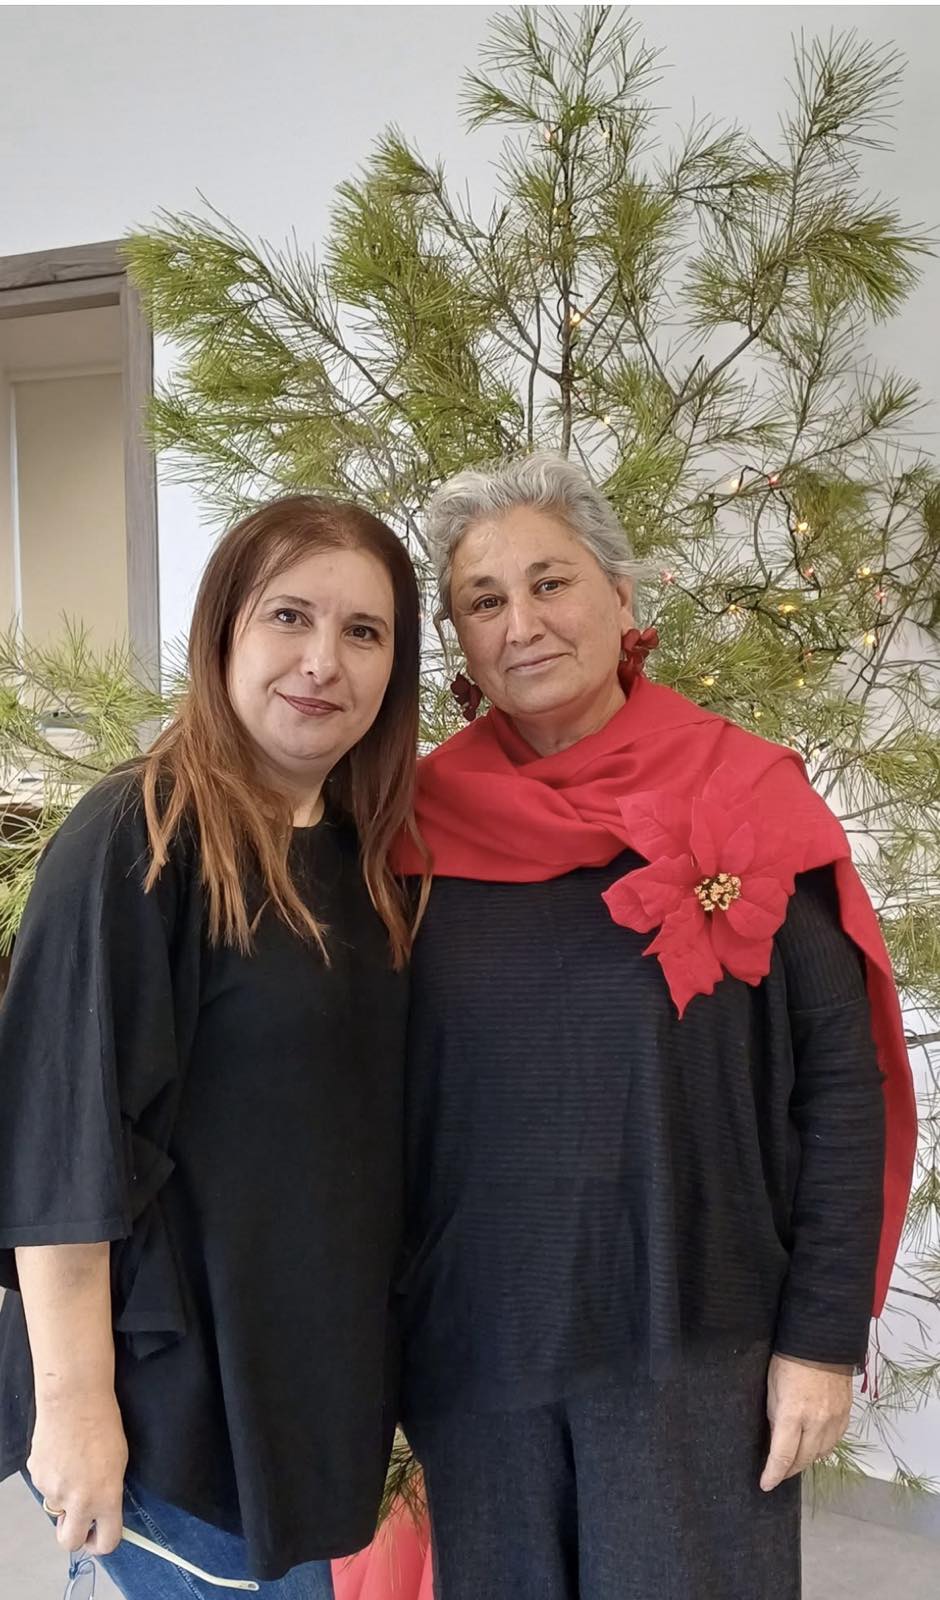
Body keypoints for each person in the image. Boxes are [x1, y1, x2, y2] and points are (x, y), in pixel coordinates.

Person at [391, 453, 917, 1600]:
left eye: (550, 582)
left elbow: (842, 1084)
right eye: (483, 600)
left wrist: (821, 1338)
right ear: (459, 639)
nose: (522, 623)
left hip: (699, 1345)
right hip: (476, 1352)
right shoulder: (411, 825)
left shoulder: (746, 793)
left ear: (621, 596)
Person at [0, 494, 421, 1598]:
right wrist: (75, 1411)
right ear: (222, 629)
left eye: (363, 631)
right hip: (172, 1401)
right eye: (289, 615)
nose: (322, 661)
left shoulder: (368, 854)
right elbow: (61, 1151)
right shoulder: (137, 836)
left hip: (301, 1388)